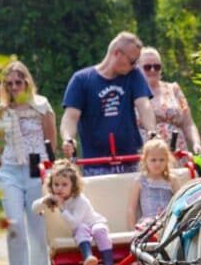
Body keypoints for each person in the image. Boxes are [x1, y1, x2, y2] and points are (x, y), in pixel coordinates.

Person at [0, 60, 55, 265]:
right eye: (9, 84)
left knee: (37, 226)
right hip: (10, 169)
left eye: (18, 82)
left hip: (35, 168)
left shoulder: (41, 106)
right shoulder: (2, 110)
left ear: (26, 82)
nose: (14, 87)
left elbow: (51, 140)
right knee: (15, 223)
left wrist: (50, 169)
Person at [59, 32, 156, 176]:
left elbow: (144, 105)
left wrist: (152, 132)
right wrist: (68, 138)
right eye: (132, 61)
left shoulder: (134, 75)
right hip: (95, 164)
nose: (135, 65)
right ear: (117, 53)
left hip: (130, 160)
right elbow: (70, 116)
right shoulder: (81, 79)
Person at [34, 160, 113, 265]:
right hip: (82, 229)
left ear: (73, 185)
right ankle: (88, 258)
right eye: (56, 184)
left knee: (98, 229)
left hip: (94, 223)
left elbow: (74, 223)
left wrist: (62, 208)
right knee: (80, 229)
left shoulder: (80, 200)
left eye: (64, 184)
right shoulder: (54, 198)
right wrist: (44, 201)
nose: (59, 188)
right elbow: (34, 209)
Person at [137, 47, 201, 156]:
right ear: (138, 69)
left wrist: (196, 143)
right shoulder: (133, 94)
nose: (153, 70)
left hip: (177, 152)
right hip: (149, 156)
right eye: (147, 67)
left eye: (157, 67)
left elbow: (188, 123)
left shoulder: (174, 89)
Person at [127, 138, 183, 231]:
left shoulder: (172, 180)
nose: (158, 163)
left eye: (162, 160)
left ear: (167, 160)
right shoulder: (140, 181)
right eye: (153, 160)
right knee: (149, 227)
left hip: (167, 220)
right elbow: (131, 209)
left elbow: (180, 203)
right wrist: (132, 231)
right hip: (147, 222)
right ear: (145, 160)